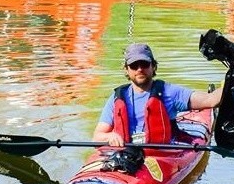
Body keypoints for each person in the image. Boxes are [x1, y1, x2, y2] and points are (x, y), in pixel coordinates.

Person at [92, 42, 222, 147]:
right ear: (126, 70)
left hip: (162, 153)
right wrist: (110, 136)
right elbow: (97, 136)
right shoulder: (116, 98)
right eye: (133, 65)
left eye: (144, 64)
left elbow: (211, 100)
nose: (139, 69)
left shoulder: (169, 92)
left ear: (153, 66)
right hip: (126, 152)